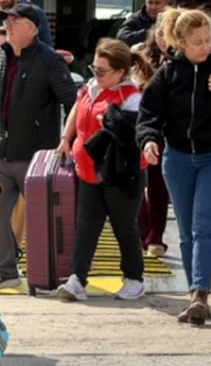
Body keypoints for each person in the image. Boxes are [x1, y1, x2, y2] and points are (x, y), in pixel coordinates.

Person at [136, 8, 211, 324]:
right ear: (180, 42)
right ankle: (194, 294)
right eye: (197, 42)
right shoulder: (167, 74)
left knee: (204, 226)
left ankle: (200, 295)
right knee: (188, 233)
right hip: (176, 159)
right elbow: (148, 116)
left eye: (208, 39)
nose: (205, 46)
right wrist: (149, 140)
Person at [0, 3, 77, 291]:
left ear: (31, 28)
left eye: (14, 20)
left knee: (41, 222)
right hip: (0, 154)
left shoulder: (49, 60)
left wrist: (67, 139)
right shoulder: (1, 58)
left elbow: (73, 102)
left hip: (37, 158)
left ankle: (46, 275)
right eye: (6, 19)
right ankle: (4, 272)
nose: (7, 24)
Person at [55, 38, 151, 301]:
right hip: (87, 170)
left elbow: (133, 134)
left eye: (101, 70)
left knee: (124, 228)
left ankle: (134, 279)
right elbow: (77, 107)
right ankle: (77, 279)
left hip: (121, 174)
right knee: (86, 226)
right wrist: (66, 137)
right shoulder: (90, 86)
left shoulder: (132, 97)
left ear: (120, 72)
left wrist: (112, 121)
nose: (95, 75)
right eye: (93, 69)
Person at [132, 22, 171, 257]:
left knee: (158, 187)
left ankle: (155, 236)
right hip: (139, 128)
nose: (163, 38)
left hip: (166, 132)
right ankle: (142, 231)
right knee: (135, 183)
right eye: (160, 33)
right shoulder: (139, 55)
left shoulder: (181, 61)